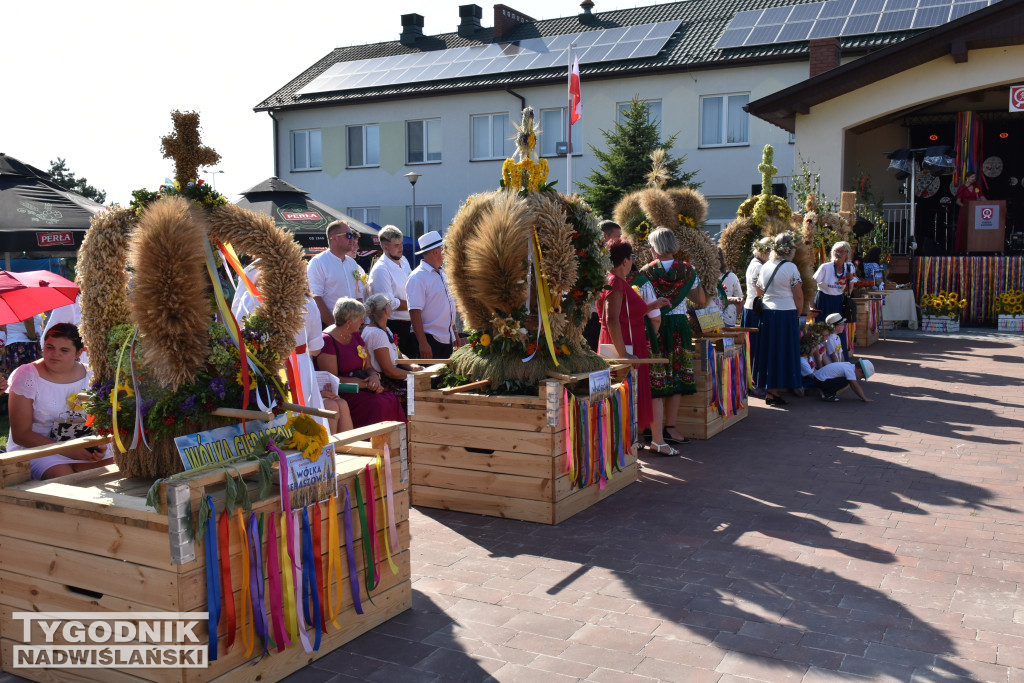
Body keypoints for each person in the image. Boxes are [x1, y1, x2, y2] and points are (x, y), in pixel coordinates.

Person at [6, 324, 112, 480]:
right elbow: (21, 435)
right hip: (38, 449)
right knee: (63, 476)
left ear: (79, 353)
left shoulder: (91, 375)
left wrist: (98, 445)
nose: (54, 354)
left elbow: (102, 420)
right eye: (50, 347)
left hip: (82, 446)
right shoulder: (27, 374)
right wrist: (68, 450)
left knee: (118, 465)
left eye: (64, 350)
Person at [641, 228, 706, 449]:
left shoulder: (646, 273)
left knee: (655, 376)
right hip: (679, 325)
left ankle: (651, 428)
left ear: (653, 248)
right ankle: (670, 427)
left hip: (654, 325)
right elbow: (701, 301)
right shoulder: (688, 271)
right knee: (678, 376)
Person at [596, 239, 654, 448]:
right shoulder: (615, 282)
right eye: (632, 258)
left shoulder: (613, 280)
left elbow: (622, 314)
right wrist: (624, 355)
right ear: (625, 261)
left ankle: (626, 447)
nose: (633, 262)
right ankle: (621, 449)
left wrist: (652, 305)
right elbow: (612, 319)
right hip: (623, 344)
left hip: (624, 341)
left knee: (627, 396)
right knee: (623, 395)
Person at [314, 297, 405, 428]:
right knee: (377, 404)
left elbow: (368, 366)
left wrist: (374, 377)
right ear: (349, 322)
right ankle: (371, 445)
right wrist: (366, 384)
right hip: (344, 391)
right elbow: (333, 380)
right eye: (361, 319)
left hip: (363, 385)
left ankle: (392, 445)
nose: (363, 322)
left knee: (390, 398)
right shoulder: (328, 341)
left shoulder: (355, 335)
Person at [755, 232, 804, 406]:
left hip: (768, 314)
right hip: (785, 313)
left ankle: (770, 391)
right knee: (782, 353)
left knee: (770, 352)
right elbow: (798, 295)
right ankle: (773, 391)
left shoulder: (766, 265)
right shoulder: (791, 267)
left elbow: (758, 289)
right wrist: (799, 312)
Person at [362, 293, 422, 406]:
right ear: (385, 310)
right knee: (420, 393)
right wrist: (413, 375)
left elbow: (398, 354)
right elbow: (388, 370)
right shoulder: (377, 333)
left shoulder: (385, 329)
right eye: (389, 304)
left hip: (392, 376)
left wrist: (413, 366)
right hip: (384, 380)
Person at [406, 231, 458, 360]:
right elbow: (414, 312)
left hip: (445, 338)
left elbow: (449, 305)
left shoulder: (442, 274)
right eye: (443, 249)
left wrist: (454, 332)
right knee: (430, 379)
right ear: (435, 252)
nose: (445, 253)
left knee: (442, 378)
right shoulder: (418, 277)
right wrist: (423, 343)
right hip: (429, 339)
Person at [307, 220, 368, 327]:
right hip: (329, 326)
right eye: (348, 235)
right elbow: (316, 298)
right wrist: (335, 327)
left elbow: (358, 296)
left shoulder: (352, 263)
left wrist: (359, 323)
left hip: (352, 327)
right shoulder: (318, 262)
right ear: (334, 238)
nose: (352, 239)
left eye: (353, 235)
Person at [367, 225, 415, 356]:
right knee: (400, 366)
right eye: (396, 245)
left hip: (410, 324)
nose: (401, 248)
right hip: (394, 325)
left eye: (401, 244)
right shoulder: (381, 270)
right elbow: (387, 303)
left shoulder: (404, 260)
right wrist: (412, 305)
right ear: (385, 247)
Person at [812, 241, 855, 361]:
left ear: (847, 253)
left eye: (842, 251)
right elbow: (811, 285)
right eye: (836, 251)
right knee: (821, 331)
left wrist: (850, 281)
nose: (838, 254)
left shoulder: (850, 267)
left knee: (838, 330)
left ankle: (841, 360)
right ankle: (819, 361)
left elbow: (849, 291)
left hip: (838, 302)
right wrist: (812, 306)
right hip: (823, 300)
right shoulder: (825, 267)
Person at [742, 237, 771, 396]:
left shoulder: (756, 264)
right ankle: (754, 384)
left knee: (754, 348)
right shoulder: (758, 267)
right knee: (755, 348)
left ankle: (753, 382)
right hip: (755, 310)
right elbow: (761, 291)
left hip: (752, 308)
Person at [956, 171, 985, 253]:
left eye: (975, 177)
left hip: (976, 211)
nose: (974, 179)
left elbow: (982, 197)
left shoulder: (977, 187)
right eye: (972, 177)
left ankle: (975, 247)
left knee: (975, 229)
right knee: (965, 229)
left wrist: (989, 204)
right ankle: (963, 248)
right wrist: (965, 207)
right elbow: (958, 201)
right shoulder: (962, 188)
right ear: (967, 178)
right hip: (965, 211)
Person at [717, 248, 744, 328]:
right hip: (728, 317)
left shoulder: (704, 277)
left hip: (708, 318)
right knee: (727, 339)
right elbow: (740, 300)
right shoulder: (732, 276)